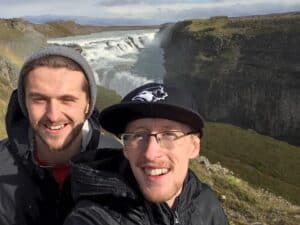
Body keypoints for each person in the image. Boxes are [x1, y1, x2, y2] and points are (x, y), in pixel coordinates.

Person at [64, 82, 229, 225]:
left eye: (169, 135)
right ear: (126, 149)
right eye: (138, 135)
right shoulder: (93, 217)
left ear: (194, 147)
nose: (150, 153)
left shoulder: (206, 202)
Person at [0, 45, 121, 225]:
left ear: (88, 104)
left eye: (67, 100)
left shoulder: (120, 162)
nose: (53, 115)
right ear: (24, 104)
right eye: (39, 100)